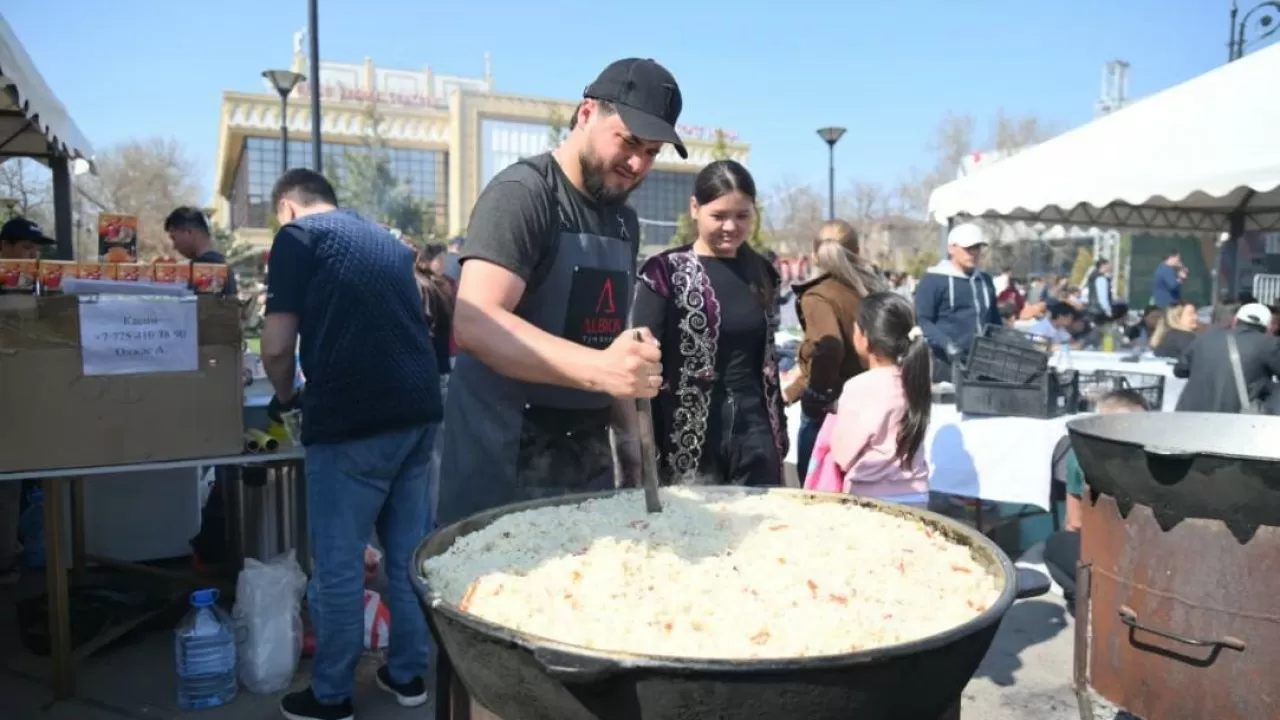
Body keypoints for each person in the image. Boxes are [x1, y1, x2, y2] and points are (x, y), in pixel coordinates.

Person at [436, 58, 685, 528]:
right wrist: (601, 370)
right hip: (505, 456)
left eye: (652, 152)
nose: (637, 164)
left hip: (584, 459)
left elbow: (607, 339)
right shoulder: (523, 195)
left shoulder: (622, 219)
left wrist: (631, 441)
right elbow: (475, 322)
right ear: (587, 113)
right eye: (629, 142)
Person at [260, 169, 444, 720]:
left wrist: (287, 391)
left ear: (288, 207)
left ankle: (332, 694)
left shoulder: (296, 238)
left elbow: (275, 346)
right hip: (418, 412)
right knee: (410, 555)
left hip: (351, 420)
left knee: (339, 566)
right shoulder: (385, 241)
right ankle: (410, 674)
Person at [633, 161, 787, 486]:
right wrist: (641, 444)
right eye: (718, 216)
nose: (730, 227)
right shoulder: (665, 273)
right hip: (686, 433)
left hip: (756, 433)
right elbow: (643, 362)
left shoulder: (763, 272)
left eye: (742, 216)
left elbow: (768, 362)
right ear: (695, 208)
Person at [781, 219, 886, 480]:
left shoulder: (818, 295)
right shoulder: (873, 289)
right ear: (858, 252)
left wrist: (814, 394)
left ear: (815, 255)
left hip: (830, 406)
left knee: (817, 492)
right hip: (872, 397)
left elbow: (829, 347)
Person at [807, 292, 932, 506]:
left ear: (865, 339)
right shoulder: (916, 380)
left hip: (870, 499)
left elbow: (843, 454)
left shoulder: (860, 388)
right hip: (917, 496)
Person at [1042, 389, 1149, 604]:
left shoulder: (1080, 454)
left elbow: (1074, 522)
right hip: (1155, 558)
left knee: (1055, 546)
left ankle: (1087, 601)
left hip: (1108, 559)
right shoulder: (1161, 454)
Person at [0, 217, 56, 583]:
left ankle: (7, 557)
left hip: (19, 402)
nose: (31, 258)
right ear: (4, 247)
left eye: (36, 252)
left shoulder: (28, 289)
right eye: (25, 249)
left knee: (12, 488)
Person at [915, 222, 1001, 382]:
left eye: (977, 248)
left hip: (984, 363)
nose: (974, 253)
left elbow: (995, 319)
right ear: (952, 248)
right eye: (968, 248)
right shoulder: (933, 280)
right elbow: (923, 320)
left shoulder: (985, 280)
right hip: (946, 364)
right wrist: (946, 344)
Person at [1174, 303, 1280, 414]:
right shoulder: (1271, 344)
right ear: (1269, 328)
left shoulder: (1207, 337)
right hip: (1235, 420)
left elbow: (1180, 370)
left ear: (1235, 320)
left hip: (1190, 416)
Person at [164, 206, 238, 297]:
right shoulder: (222, 264)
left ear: (188, 232)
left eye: (174, 238)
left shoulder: (205, 267)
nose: (174, 246)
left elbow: (201, 309)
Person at [413, 242, 456, 383]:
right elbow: (427, 321)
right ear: (427, 261)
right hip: (433, 355)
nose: (443, 263)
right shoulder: (424, 285)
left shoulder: (443, 283)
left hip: (443, 352)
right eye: (439, 259)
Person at [1084, 258, 1114, 323]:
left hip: (1092, 309)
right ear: (1103, 265)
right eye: (1108, 265)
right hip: (1099, 311)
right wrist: (1108, 310)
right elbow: (1102, 297)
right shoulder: (1101, 279)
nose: (1110, 266)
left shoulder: (1093, 277)